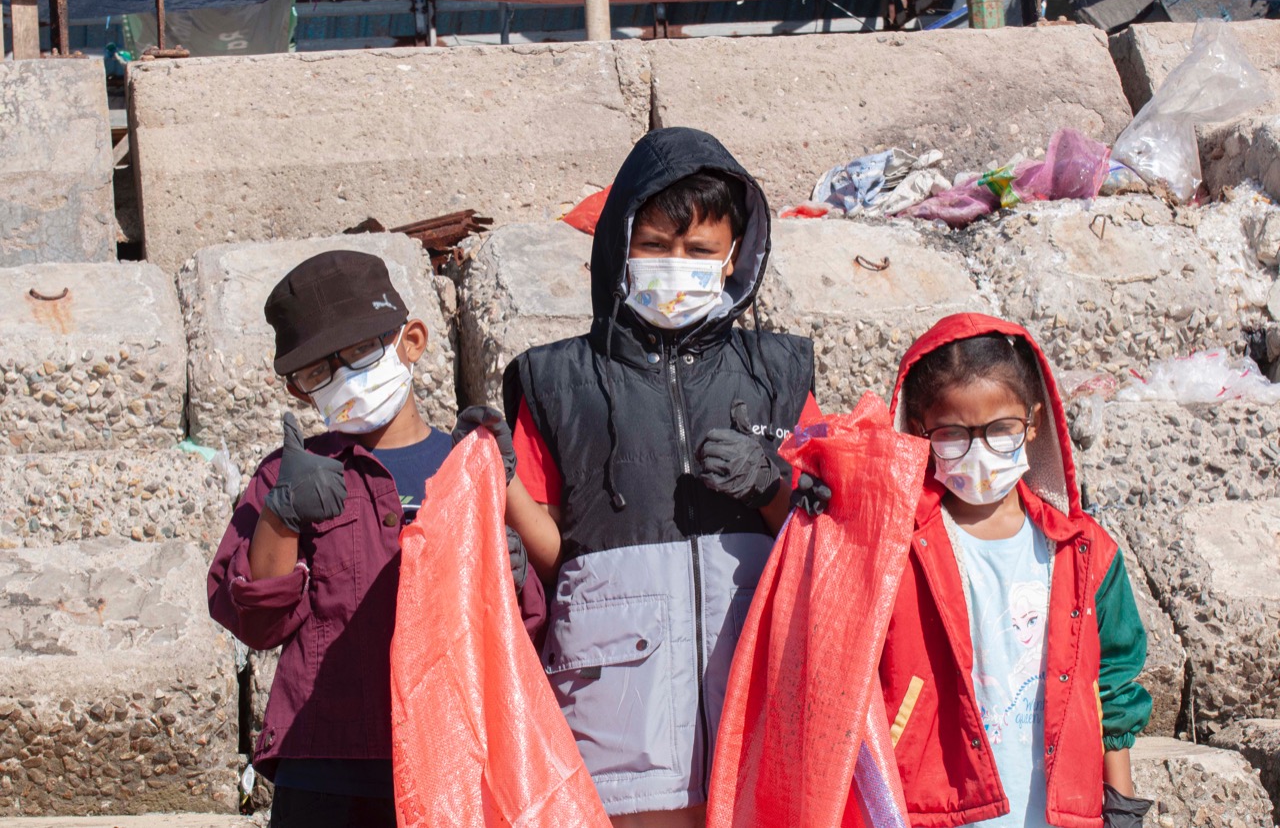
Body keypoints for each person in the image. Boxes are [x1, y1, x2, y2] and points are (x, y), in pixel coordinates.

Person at [456, 127, 823, 827]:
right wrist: (501, 481)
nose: (674, 264)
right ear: (618, 246)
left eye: (698, 251)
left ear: (736, 256)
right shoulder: (556, 378)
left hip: (757, 681)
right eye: (654, 245)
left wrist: (769, 483)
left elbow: (825, 535)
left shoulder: (780, 372)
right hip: (618, 696)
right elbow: (556, 549)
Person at [207, 250, 545, 828]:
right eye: (318, 371)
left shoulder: (465, 468)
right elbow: (256, 623)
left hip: (454, 750)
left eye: (361, 352)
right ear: (299, 391)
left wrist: (513, 579)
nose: (343, 379)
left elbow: (524, 629)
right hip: (326, 764)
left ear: (411, 340)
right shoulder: (286, 474)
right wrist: (282, 515)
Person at [880, 312, 1152, 828]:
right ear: (918, 432)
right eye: (952, 434)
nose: (980, 452)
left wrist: (1121, 807)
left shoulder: (1086, 553)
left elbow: (1112, 687)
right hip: (933, 812)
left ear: (1033, 423)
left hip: (1061, 815)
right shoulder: (895, 552)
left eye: (1001, 430)